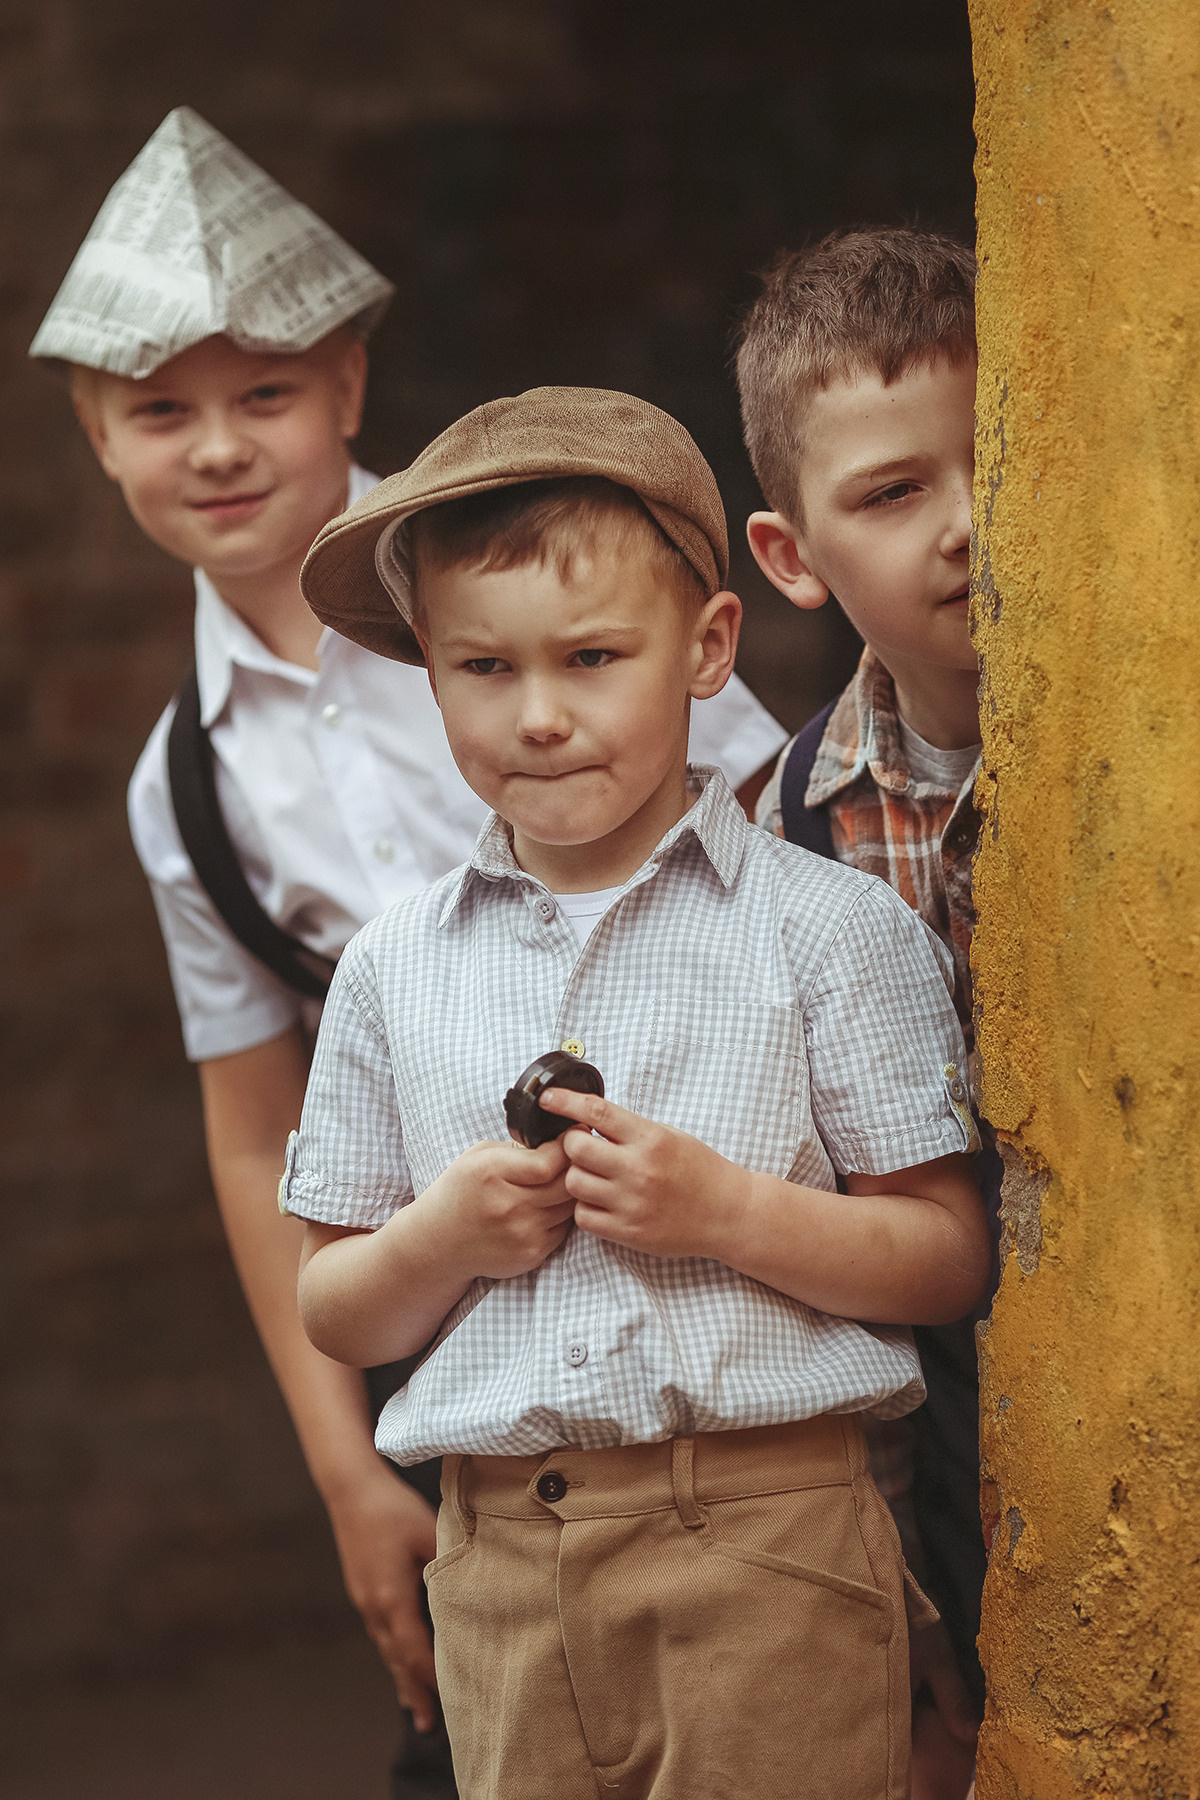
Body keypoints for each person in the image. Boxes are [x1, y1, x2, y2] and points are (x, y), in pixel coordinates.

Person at [29, 113, 787, 1800]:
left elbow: (785, 863)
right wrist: (343, 1465)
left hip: (732, 1277)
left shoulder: (532, 581)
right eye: (160, 411)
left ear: (351, 388)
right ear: (95, 439)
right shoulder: (191, 786)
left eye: (267, 394)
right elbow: (256, 1131)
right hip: (467, 1355)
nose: (218, 449)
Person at [283, 384, 991, 1800]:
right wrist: (441, 1243)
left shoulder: (830, 931)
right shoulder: (391, 970)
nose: (539, 717)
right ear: (427, 669)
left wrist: (723, 1210)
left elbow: (950, 1256)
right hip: (499, 1577)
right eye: (483, 670)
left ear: (708, 646)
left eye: (592, 657)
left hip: (770, 1545)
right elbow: (334, 1301)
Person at [735, 226, 1001, 1800]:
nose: (968, 525)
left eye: (1001, 452)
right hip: (971, 1443)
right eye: (894, 494)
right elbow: (839, 1275)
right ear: (790, 556)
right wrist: (897, 1601)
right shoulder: (781, 843)